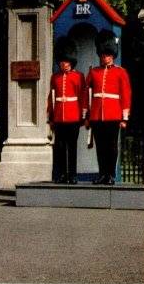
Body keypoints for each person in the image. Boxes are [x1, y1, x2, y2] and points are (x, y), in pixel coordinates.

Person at [82, 29, 132, 185]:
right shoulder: (94, 72)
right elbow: (87, 94)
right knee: (100, 147)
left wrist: (124, 118)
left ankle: (110, 174)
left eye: (108, 55)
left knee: (112, 147)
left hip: (113, 114)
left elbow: (125, 95)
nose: (105, 57)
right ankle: (102, 174)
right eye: (103, 55)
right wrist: (87, 116)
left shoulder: (121, 72)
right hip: (97, 115)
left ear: (113, 55)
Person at [46, 36, 84, 184]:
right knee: (60, 148)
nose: (64, 64)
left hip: (73, 116)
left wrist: (83, 116)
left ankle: (72, 175)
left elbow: (81, 97)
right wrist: (50, 117)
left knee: (72, 147)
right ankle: (62, 174)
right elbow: (52, 97)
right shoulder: (55, 77)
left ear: (71, 61)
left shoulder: (78, 76)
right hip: (59, 117)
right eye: (62, 61)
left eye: (66, 61)